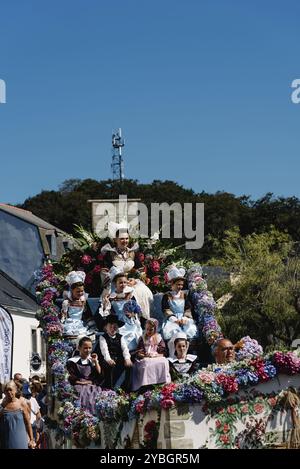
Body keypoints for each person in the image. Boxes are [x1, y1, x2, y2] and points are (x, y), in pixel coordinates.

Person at [99, 268, 143, 351]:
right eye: (120, 282)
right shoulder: (111, 297)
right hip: (118, 322)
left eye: (124, 282)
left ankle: (134, 352)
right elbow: (106, 313)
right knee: (121, 334)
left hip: (130, 321)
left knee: (134, 333)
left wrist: (133, 315)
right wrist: (106, 304)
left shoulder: (130, 294)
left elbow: (138, 310)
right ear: (115, 284)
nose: (123, 284)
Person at [132, 318, 171, 392]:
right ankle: (146, 384)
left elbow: (163, 350)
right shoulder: (142, 338)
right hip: (146, 356)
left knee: (164, 361)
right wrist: (141, 354)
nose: (148, 331)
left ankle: (161, 381)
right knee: (146, 363)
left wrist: (158, 353)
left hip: (156, 356)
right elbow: (139, 350)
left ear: (155, 329)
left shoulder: (158, 337)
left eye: (151, 329)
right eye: (147, 329)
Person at [66, 336, 102, 414]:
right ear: (79, 348)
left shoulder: (91, 361)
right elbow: (72, 377)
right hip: (79, 384)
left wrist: (96, 362)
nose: (88, 350)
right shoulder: (72, 361)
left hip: (91, 384)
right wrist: (83, 383)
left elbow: (99, 374)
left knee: (97, 392)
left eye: (90, 348)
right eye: (85, 348)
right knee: (81, 392)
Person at [161, 266, 198, 341]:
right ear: (172, 284)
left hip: (183, 318)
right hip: (172, 319)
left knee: (190, 329)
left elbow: (188, 308)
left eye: (181, 285)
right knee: (172, 331)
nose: (180, 287)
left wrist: (184, 318)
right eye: (178, 284)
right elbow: (165, 309)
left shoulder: (184, 295)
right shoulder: (167, 296)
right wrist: (174, 319)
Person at [98, 315, 132, 390]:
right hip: (107, 358)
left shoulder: (120, 337)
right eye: (110, 326)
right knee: (109, 366)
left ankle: (126, 388)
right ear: (106, 327)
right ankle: (109, 388)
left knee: (129, 365)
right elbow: (104, 350)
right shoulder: (103, 337)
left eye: (115, 327)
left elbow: (125, 349)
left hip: (118, 358)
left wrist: (127, 358)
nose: (113, 329)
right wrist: (108, 359)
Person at [0, 381, 35, 449]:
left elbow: (28, 423)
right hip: (6, 441)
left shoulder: (22, 404)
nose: (8, 392)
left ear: (15, 390)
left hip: (20, 441)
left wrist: (31, 439)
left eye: (10, 389)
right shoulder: (2, 405)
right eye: (6, 390)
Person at [61, 271, 90, 337]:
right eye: (78, 291)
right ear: (72, 290)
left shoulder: (83, 301)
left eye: (82, 291)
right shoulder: (67, 302)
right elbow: (64, 316)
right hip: (69, 324)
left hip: (79, 323)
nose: (80, 293)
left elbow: (85, 313)